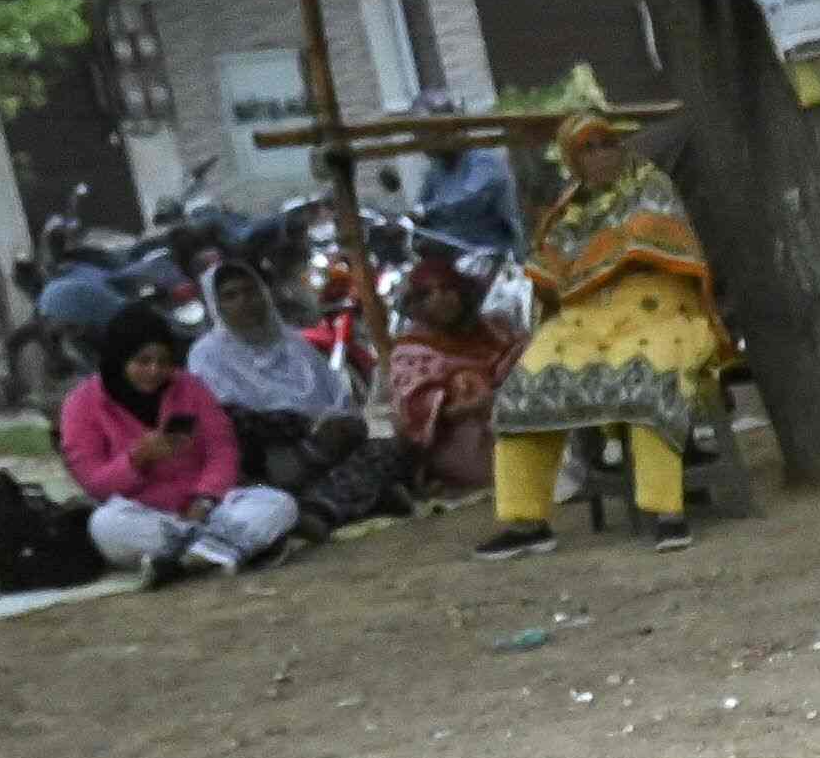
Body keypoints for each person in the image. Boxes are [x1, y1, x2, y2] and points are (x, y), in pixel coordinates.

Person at [486, 84, 729, 555]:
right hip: (588, 321)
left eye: (608, 143)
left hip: (662, 312)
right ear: (572, 159)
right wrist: (579, 266)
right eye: (587, 148)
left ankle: (667, 513)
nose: (601, 155)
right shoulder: (568, 208)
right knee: (524, 387)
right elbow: (553, 268)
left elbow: (649, 239)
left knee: (648, 377)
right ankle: (526, 522)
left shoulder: (650, 184)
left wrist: (599, 258)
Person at [56, 309, 298, 579]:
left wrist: (204, 499)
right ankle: (220, 548)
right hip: (147, 516)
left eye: (163, 362)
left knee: (279, 502)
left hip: (208, 509)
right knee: (104, 525)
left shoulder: (189, 387)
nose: (154, 371)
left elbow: (222, 449)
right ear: (119, 358)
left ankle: (183, 561)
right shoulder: (82, 404)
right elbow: (94, 482)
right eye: (143, 361)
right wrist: (137, 458)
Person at [187, 258, 407, 536]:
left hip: (331, 448)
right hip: (267, 461)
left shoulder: (293, 343)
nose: (245, 301)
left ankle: (318, 509)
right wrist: (306, 429)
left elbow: (340, 402)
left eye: (251, 291)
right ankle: (355, 499)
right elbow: (226, 419)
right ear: (216, 306)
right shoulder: (207, 355)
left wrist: (335, 427)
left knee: (390, 449)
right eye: (231, 296)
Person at [381, 238, 524, 510]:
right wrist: (479, 403)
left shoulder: (494, 328)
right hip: (461, 438)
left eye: (448, 289)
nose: (442, 299)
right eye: (429, 293)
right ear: (417, 303)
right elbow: (415, 418)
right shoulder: (411, 351)